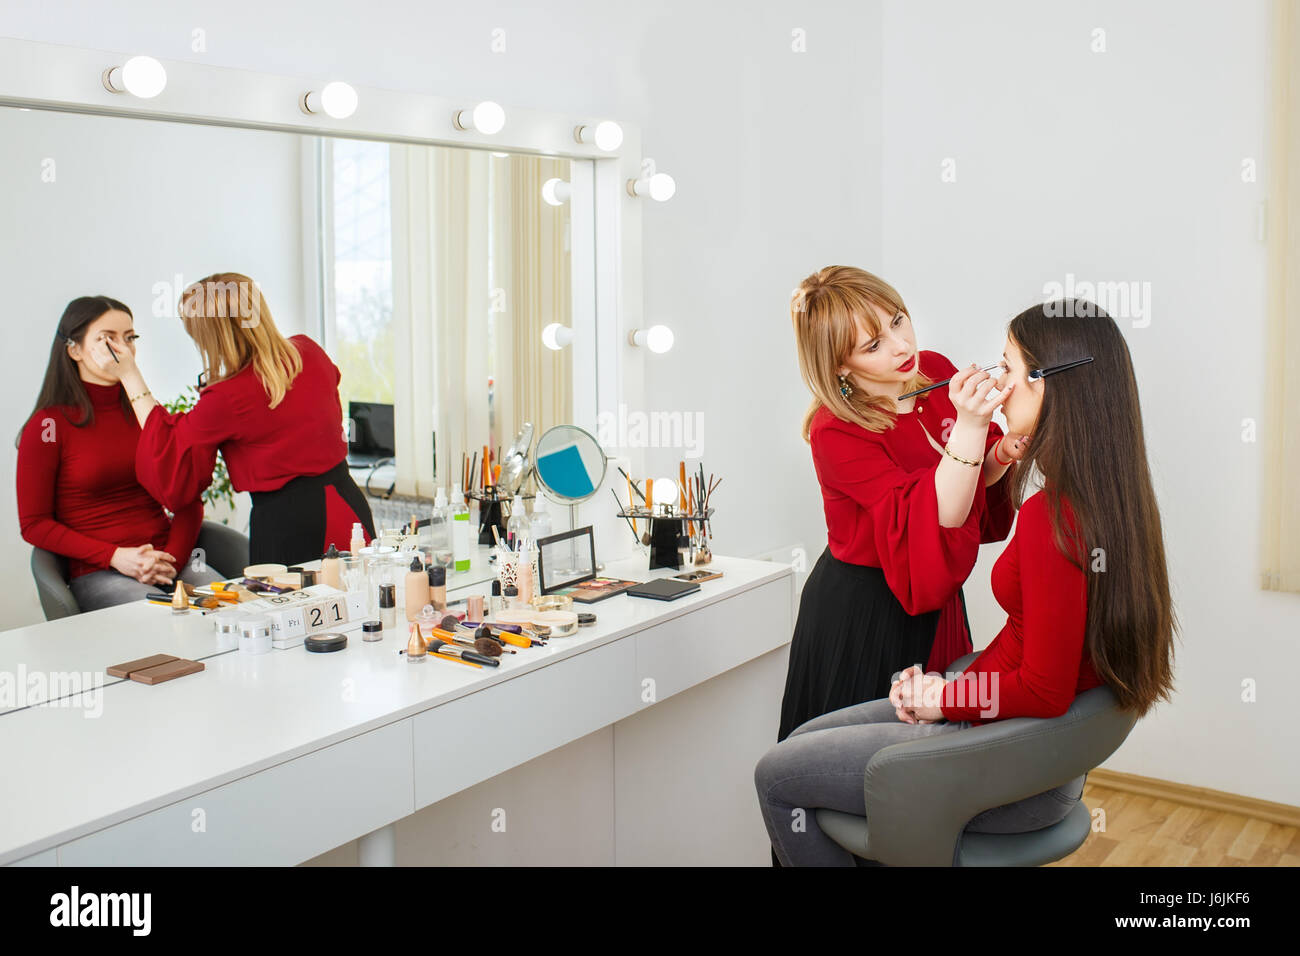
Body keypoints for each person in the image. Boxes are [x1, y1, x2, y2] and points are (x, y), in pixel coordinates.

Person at [755, 300, 1178, 866]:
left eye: (1006, 367)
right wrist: (946, 686)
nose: (995, 382)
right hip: (983, 705)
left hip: (1005, 756)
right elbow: (1035, 658)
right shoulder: (1114, 500)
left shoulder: (1051, 521)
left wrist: (946, 696)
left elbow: (1045, 690)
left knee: (777, 774)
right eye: (872, 343)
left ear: (1046, 384)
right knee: (804, 739)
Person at [779, 265, 1022, 749]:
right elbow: (933, 514)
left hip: (935, 593)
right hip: (865, 610)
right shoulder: (836, 430)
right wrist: (973, 428)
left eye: (897, 321)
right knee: (865, 762)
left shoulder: (929, 368)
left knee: (938, 752)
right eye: (873, 346)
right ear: (839, 366)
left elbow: (973, 477)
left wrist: (1002, 449)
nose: (900, 346)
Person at [90, 272, 376, 566]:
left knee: (283, 609)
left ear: (210, 336)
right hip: (347, 505)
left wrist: (129, 374)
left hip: (288, 525)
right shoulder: (309, 351)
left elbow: (170, 452)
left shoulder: (226, 397)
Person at [17, 296, 213, 611]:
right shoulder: (49, 425)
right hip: (101, 571)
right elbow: (35, 524)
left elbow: (187, 495)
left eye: (130, 338)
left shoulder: (144, 411)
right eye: (107, 338)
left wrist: (172, 560)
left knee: (233, 606)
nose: (123, 349)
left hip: (167, 561)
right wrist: (115, 556)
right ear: (75, 350)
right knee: (160, 619)